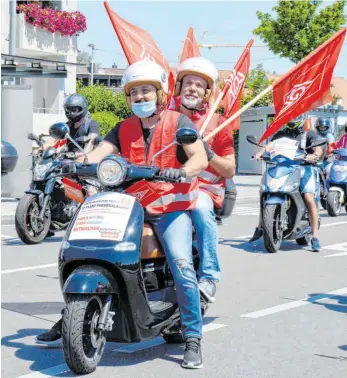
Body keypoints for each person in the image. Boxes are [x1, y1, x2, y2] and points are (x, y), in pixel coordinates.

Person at [37, 60, 208, 369]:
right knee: (93, 250)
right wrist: (77, 162)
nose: (141, 98)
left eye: (146, 91)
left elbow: (200, 158)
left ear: (159, 93)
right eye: (135, 93)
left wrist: (181, 170)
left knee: (182, 265)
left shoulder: (179, 122)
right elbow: (100, 152)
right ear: (129, 99)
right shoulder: (123, 127)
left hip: (170, 208)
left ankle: (193, 337)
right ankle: (71, 316)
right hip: (130, 205)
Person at [173, 57, 236, 303]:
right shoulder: (166, 119)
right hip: (168, 188)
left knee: (199, 206)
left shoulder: (219, 124)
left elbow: (229, 170)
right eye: (188, 83)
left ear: (208, 93)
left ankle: (209, 276)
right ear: (178, 88)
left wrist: (208, 153)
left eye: (200, 85)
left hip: (204, 190)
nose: (193, 88)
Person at [249, 116, 325, 252]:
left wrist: (314, 155)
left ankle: (314, 236)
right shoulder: (281, 134)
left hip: (305, 168)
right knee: (265, 192)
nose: (291, 120)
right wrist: (259, 153)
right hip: (283, 168)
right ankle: (260, 226)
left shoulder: (309, 134)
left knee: (309, 198)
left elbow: (318, 149)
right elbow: (269, 146)